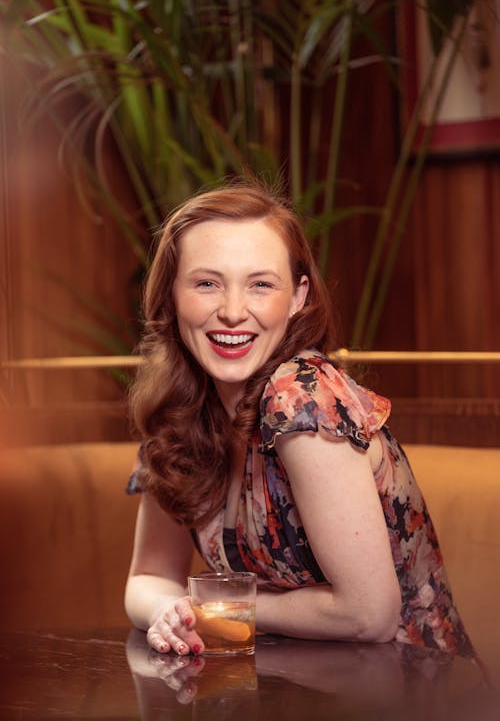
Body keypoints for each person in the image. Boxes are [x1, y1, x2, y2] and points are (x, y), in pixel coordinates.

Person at [125, 181, 474, 660]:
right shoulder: (177, 410)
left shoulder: (303, 395)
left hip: (400, 693)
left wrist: (222, 609)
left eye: (261, 284)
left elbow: (368, 615)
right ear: (171, 294)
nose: (231, 311)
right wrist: (169, 610)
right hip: (282, 690)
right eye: (206, 283)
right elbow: (148, 578)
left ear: (297, 297)